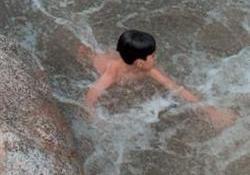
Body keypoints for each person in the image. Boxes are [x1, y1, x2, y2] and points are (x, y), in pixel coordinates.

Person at [78, 29, 235, 129]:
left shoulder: (149, 69)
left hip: (124, 60)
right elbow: (92, 93)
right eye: (152, 56)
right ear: (140, 63)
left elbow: (175, 88)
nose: (155, 58)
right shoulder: (113, 71)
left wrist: (210, 111)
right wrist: (92, 115)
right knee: (87, 54)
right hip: (95, 62)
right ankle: (83, 51)